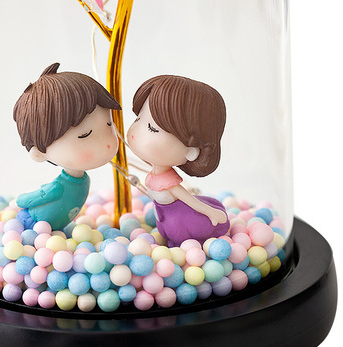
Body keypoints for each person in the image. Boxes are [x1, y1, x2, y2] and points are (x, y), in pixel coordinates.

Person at [13, 62, 120, 230]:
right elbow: (24, 200)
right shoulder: (58, 188)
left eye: (109, 124)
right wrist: (19, 202)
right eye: (84, 135)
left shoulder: (83, 180)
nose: (106, 144)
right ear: (39, 153)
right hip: (31, 224)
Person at [127, 74, 230, 247]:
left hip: (179, 219)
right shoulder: (154, 175)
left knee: (179, 240)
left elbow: (190, 201)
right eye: (138, 119)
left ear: (191, 150)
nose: (135, 132)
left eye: (152, 128)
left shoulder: (169, 183)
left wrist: (211, 213)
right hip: (163, 217)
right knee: (167, 236)